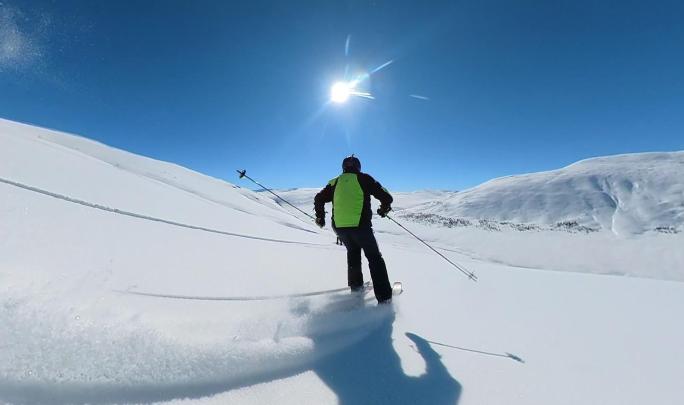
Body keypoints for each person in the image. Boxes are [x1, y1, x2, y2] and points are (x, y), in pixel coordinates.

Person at [314, 155, 394, 303]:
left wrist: (320, 217)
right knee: (374, 258)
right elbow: (386, 197)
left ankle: (356, 289)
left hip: (340, 228)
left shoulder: (335, 182)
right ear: (358, 167)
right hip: (361, 227)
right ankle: (384, 298)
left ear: (343, 167)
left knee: (353, 253)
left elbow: (318, 198)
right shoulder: (364, 178)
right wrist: (384, 209)